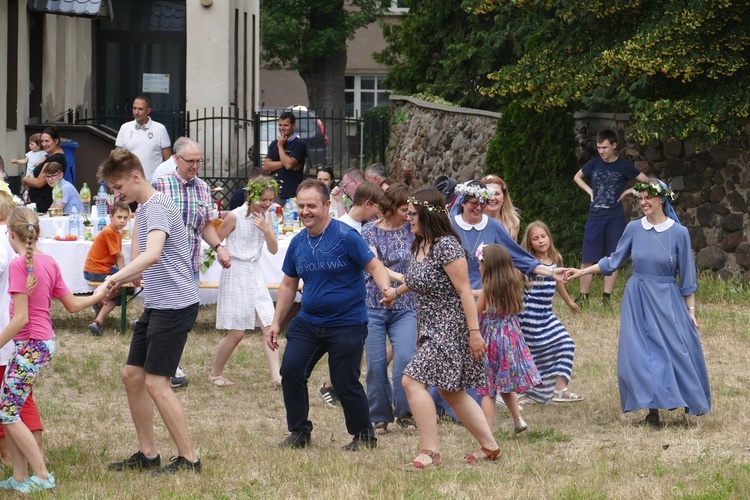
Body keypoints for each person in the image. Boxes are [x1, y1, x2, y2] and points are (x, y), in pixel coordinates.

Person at [568, 179, 711, 427]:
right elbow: (613, 261)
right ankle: (652, 411)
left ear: (661, 199)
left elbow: (687, 278)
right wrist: (581, 273)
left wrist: (691, 311)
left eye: (648, 198)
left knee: (675, 351)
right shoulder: (634, 228)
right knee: (641, 355)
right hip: (638, 298)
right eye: (640, 198)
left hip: (667, 299)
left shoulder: (679, 233)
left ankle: (683, 400)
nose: (643, 202)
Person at [266, 179, 394, 451]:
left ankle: (364, 436)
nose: (305, 211)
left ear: (327, 206)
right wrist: (276, 322)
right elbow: (289, 284)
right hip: (309, 321)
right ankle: (299, 432)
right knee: (291, 371)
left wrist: (385, 287)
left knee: (345, 379)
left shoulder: (347, 236)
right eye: (300, 206)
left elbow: (375, 266)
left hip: (347, 321)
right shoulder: (298, 242)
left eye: (311, 205)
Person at [98, 148, 202, 475]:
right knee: (133, 376)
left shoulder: (156, 207)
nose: (117, 195)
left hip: (176, 304)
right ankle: (148, 453)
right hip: (158, 303)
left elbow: (154, 254)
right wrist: (122, 279)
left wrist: (114, 277)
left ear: (134, 176)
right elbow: (142, 266)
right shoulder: (143, 210)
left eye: (118, 188)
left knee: (157, 383)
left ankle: (189, 459)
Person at [392, 187, 501, 468]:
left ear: (428, 214)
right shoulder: (421, 243)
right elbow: (419, 279)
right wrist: (396, 292)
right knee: (451, 392)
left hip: (450, 326)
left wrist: (474, 333)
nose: (408, 218)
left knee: (411, 380)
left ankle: (430, 452)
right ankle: (490, 447)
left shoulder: (446, 246)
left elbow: (466, 292)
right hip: (430, 326)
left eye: (413, 213)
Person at [0, 208, 107, 493]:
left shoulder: (18, 265)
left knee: (8, 412)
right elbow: (72, 305)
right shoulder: (48, 261)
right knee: (13, 409)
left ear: (11, 234)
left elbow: (21, 318)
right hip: (41, 344)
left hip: (30, 345)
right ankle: (20, 477)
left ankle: (42, 475)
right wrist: (97, 295)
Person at [149, 137, 231, 388]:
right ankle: (166, 366)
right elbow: (146, 222)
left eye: (199, 161)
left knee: (183, 318)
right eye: (190, 161)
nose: (195, 166)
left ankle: (171, 363)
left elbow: (206, 225)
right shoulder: (159, 185)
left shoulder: (203, 189)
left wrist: (219, 247)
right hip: (162, 263)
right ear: (176, 159)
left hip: (190, 263)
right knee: (162, 315)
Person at [210, 177, 281, 388]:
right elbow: (217, 241)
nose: (267, 204)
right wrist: (221, 255)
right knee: (237, 332)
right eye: (263, 199)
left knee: (270, 325)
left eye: (270, 199)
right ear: (251, 196)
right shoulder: (235, 216)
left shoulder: (266, 216)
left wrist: (267, 230)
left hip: (254, 272)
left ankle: (276, 377)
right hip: (236, 272)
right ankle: (215, 374)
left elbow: (274, 249)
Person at [362, 183, 418, 435]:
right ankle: (379, 416)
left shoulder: (414, 231)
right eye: (404, 209)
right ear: (391, 207)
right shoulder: (368, 231)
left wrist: (402, 287)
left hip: (405, 305)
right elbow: (374, 266)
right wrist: (402, 281)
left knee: (406, 358)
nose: (409, 214)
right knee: (375, 364)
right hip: (373, 304)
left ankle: (405, 412)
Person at [573, 129, 648, 306]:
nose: (601, 151)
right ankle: (583, 297)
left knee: (613, 257)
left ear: (614, 146)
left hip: (615, 217)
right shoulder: (594, 163)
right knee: (588, 257)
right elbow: (577, 177)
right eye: (599, 147)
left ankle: (606, 298)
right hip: (595, 216)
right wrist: (589, 191)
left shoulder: (623, 166)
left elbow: (647, 181)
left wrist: (630, 191)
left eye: (605, 147)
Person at [0, 187, 45, 468]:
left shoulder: (5, 242)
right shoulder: (25, 246)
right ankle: (34, 452)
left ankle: (16, 454)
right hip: (26, 335)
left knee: (11, 397)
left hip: (7, 332)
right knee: (21, 395)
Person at [475, 244, 540, 434]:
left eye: (480, 264)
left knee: (488, 389)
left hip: (492, 342)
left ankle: (485, 431)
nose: (478, 268)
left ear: (488, 266)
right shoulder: (511, 285)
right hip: (510, 339)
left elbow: (476, 310)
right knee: (505, 384)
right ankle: (518, 419)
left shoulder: (488, 290)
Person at [517, 221, 583, 404]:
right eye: (535, 238)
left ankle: (559, 390)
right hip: (529, 314)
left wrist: (569, 301)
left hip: (546, 313)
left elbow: (558, 281)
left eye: (543, 236)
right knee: (536, 351)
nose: (540, 241)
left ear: (549, 237)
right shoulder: (527, 262)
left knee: (566, 343)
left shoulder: (556, 259)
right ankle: (527, 391)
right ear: (530, 243)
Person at [83, 201, 131, 336]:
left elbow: (117, 258)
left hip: (104, 269)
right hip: (95, 271)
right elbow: (119, 257)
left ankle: (98, 318)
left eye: (125, 218)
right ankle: (101, 297)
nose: (122, 221)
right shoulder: (109, 231)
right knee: (125, 285)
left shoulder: (118, 233)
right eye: (119, 217)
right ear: (111, 217)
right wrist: (124, 276)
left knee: (122, 290)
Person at [115, 95, 172, 181]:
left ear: (148, 110)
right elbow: (117, 157)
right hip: (130, 181)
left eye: (140, 109)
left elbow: (168, 160)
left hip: (152, 183)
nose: (136, 112)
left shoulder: (160, 129)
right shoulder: (125, 127)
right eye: (134, 108)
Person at [262, 111, 307, 204]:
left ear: (293, 126)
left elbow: (289, 165)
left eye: (285, 125)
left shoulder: (299, 144)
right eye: (280, 125)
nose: (282, 128)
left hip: (292, 194)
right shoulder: (274, 143)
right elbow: (266, 166)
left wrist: (281, 147)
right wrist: (285, 162)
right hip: (275, 193)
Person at [22, 126, 67, 214]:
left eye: (47, 141)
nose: (44, 144)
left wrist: (24, 179)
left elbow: (39, 183)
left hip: (44, 204)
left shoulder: (54, 158)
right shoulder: (55, 156)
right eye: (42, 141)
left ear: (56, 141)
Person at [481, 175, 520, 240]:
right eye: (488, 194)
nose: (492, 198)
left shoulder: (513, 223)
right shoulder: (473, 221)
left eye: (497, 194)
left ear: (504, 197)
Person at [11, 134, 47, 198]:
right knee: (26, 185)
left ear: (39, 145)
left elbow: (45, 160)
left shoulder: (42, 153)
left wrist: (39, 163)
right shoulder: (29, 154)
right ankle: (26, 196)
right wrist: (17, 161)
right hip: (28, 173)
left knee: (33, 186)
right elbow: (25, 160)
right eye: (29, 144)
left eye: (32, 144)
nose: (29, 145)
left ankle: (29, 196)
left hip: (36, 174)